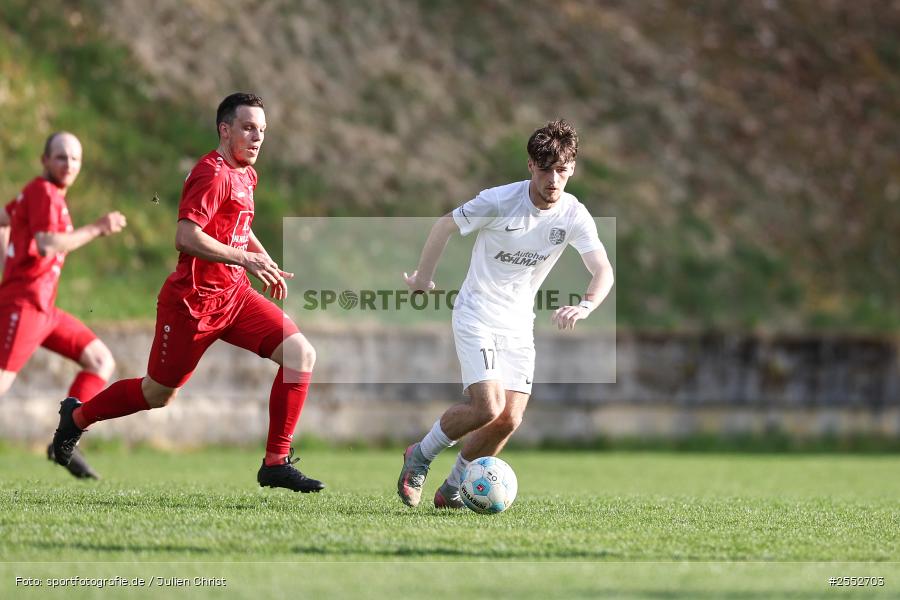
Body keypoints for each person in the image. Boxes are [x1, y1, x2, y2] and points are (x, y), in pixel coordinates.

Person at [50, 93, 324, 492]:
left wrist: (262, 261)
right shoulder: (210, 173)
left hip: (235, 297)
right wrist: (245, 260)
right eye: (248, 128)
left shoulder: (246, 173)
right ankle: (76, 418)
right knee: (156, 394)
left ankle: (276, 462)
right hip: (192, 305)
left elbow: (238, 225)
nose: (257, 137)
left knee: (301, 353)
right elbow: (186, 236)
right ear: (224, 129)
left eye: (262, 130)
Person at [397, 119, 614, 508]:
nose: (553, 180)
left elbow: (603, 270)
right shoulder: (499, 200)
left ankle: (453, 489)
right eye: (545, 169)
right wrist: (422, 280)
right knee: (487, 406)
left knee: (509, 419)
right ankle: (420, 456)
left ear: (572, 169)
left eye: (561, 171)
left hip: (518, 324)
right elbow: (445, 224)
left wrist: (584, 306)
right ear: (531, 165)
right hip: (476, 312)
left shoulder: (573, 214)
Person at [0, 132, 127, 479]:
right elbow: (47, 243)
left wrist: (7, 259)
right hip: (24, 305)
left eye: (74, 158)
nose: (68, 164)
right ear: (44, 160)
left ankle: (63, 442)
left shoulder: (42, 193)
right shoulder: (43, 191)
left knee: (100, 360)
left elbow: (4, 218)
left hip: (45, 308)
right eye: (60, 157)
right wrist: (98, 228)